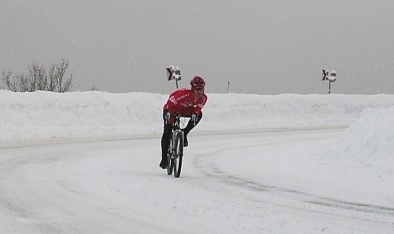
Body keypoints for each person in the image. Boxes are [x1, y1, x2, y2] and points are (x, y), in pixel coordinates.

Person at [160, 76, 208, 169]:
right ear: (192, 89)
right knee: (167, 132)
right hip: (172, 108)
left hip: (185, 109)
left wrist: (195, 114)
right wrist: (168, 114)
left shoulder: (203, 98)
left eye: (201, 89)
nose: (199, 92)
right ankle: (164, 158)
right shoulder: (184, 95)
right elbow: (169, 103)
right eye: (197, 89)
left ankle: (185, 133)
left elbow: (198, 108)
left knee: (199, 115)